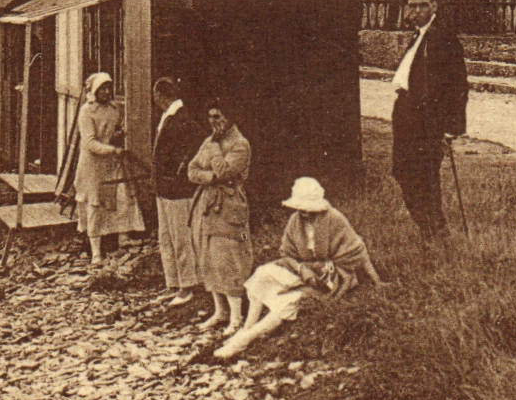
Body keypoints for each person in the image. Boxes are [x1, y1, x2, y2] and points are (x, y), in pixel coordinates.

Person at [213, 177, 385, 360]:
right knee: (262, 274)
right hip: (303, 270)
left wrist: (377, 281)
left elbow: (358, 250)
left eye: (307, 208)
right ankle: (247, 327)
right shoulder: (295, 221)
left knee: (289, 300)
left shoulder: (335, 219)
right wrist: (302, 268)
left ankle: (245, 340)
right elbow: (286, 254)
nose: (303, 212)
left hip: (329, 278)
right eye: (300, 208)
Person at [389, 0, 469, 243]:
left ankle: (436, 234)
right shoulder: (420, 36)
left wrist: (452, 126)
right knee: (403, 172)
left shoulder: (442, 38)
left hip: (426, 121)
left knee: (423, 178)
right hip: (407, 116)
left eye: (423, 5)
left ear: (434, 6)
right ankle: (429, 232)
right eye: (412, 5)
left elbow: (457, 84)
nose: (417, 10)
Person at [187, 101, 253, 335]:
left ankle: (236, 316)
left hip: (229, 206)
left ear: (230, 118)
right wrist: (210, 177)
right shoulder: (209, 141)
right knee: (208, 256)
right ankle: (220, 311)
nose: (214, 121)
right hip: (207, 204)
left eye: (219, 116)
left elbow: (226, 172)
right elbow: (192, 170)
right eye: (211, 117)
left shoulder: (240, 145)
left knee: (229, 258)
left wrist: (215, 158)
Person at [72, 72, 144, 271]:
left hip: (112, 162)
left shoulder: (114, 108)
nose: (106, 92)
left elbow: (118, 127)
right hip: (93, 165)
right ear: (94, 91)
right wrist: (111, 149)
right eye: (102, 88)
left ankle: (123, 237)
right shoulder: (87, 111)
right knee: (95, 203)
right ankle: (96, 251)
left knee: (121, 197)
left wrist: (120, 134)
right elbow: (89, 142)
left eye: (108, 88)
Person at [152, 77, 203, 307]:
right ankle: (172, 283)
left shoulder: (183, 119)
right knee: (166, 237)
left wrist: (176, 175)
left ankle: (187, 285)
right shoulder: (168, 117)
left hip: (177, 189)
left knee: (181, 238)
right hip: (164, 189)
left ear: (161, 95)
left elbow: (190, 153)